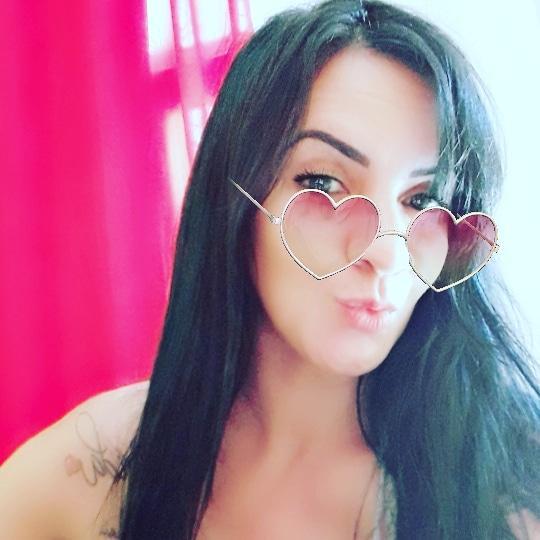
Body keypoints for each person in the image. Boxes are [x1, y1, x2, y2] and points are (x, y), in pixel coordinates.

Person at [1, 0, 539, 538]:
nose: (387, 253)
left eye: (423, 200)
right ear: (237, 199)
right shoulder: (104, 464)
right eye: (323, 183)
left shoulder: (505, 486)